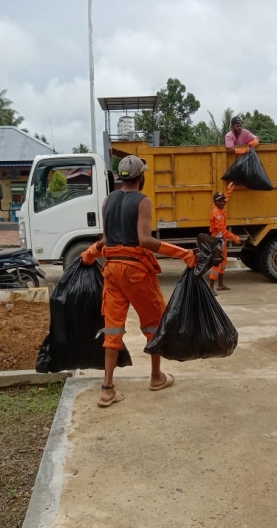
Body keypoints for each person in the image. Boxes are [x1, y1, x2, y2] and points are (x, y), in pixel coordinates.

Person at [80, 155, 197, 408]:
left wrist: (88, 255)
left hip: (112, 271)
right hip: (136, 272)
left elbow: (106, 240)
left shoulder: (108, 200)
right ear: (141, 177)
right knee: (153, 324)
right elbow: (144, 240)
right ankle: (156, 377)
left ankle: (107, 389)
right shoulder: (143, 201)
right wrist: (184, 253)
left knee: (112, 329)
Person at [209, 182, 241, 294]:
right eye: (220, 200)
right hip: (217, 241)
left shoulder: (219, 207)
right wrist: (234, 238)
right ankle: (211, 288)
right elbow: (222, 230)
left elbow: (225, 200)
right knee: (217, 263)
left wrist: (229, 191)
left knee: (223, 263)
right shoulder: (216, 214)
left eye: (223, 200)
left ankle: (220, 284)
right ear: (215, 202)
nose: (223, 202)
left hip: (221, 240)